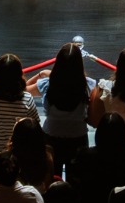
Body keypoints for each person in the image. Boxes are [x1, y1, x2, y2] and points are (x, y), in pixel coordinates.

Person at [26, 41, 95, 178]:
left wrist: (41, 74)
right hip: (78, 137)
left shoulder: (47, 83)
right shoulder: (89, 84)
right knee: (76, 182)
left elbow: (24, 89)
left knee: (50, 179)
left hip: (51, 136)